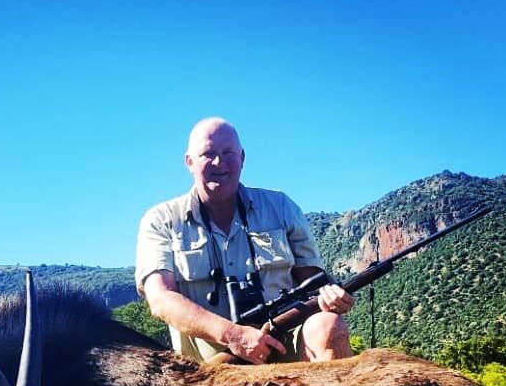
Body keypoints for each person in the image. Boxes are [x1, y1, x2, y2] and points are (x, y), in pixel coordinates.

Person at [135, 117, 354, 364]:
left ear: (242, 158)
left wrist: (331, 296)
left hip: (285, 345)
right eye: (208, 153)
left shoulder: (281, 207)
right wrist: (233, 336)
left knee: (328, 325)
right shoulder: (161, 220)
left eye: (228, 152)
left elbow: (313, 284)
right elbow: (160, 299)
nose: (219, 162)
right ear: (189, 162)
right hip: (210, 363)